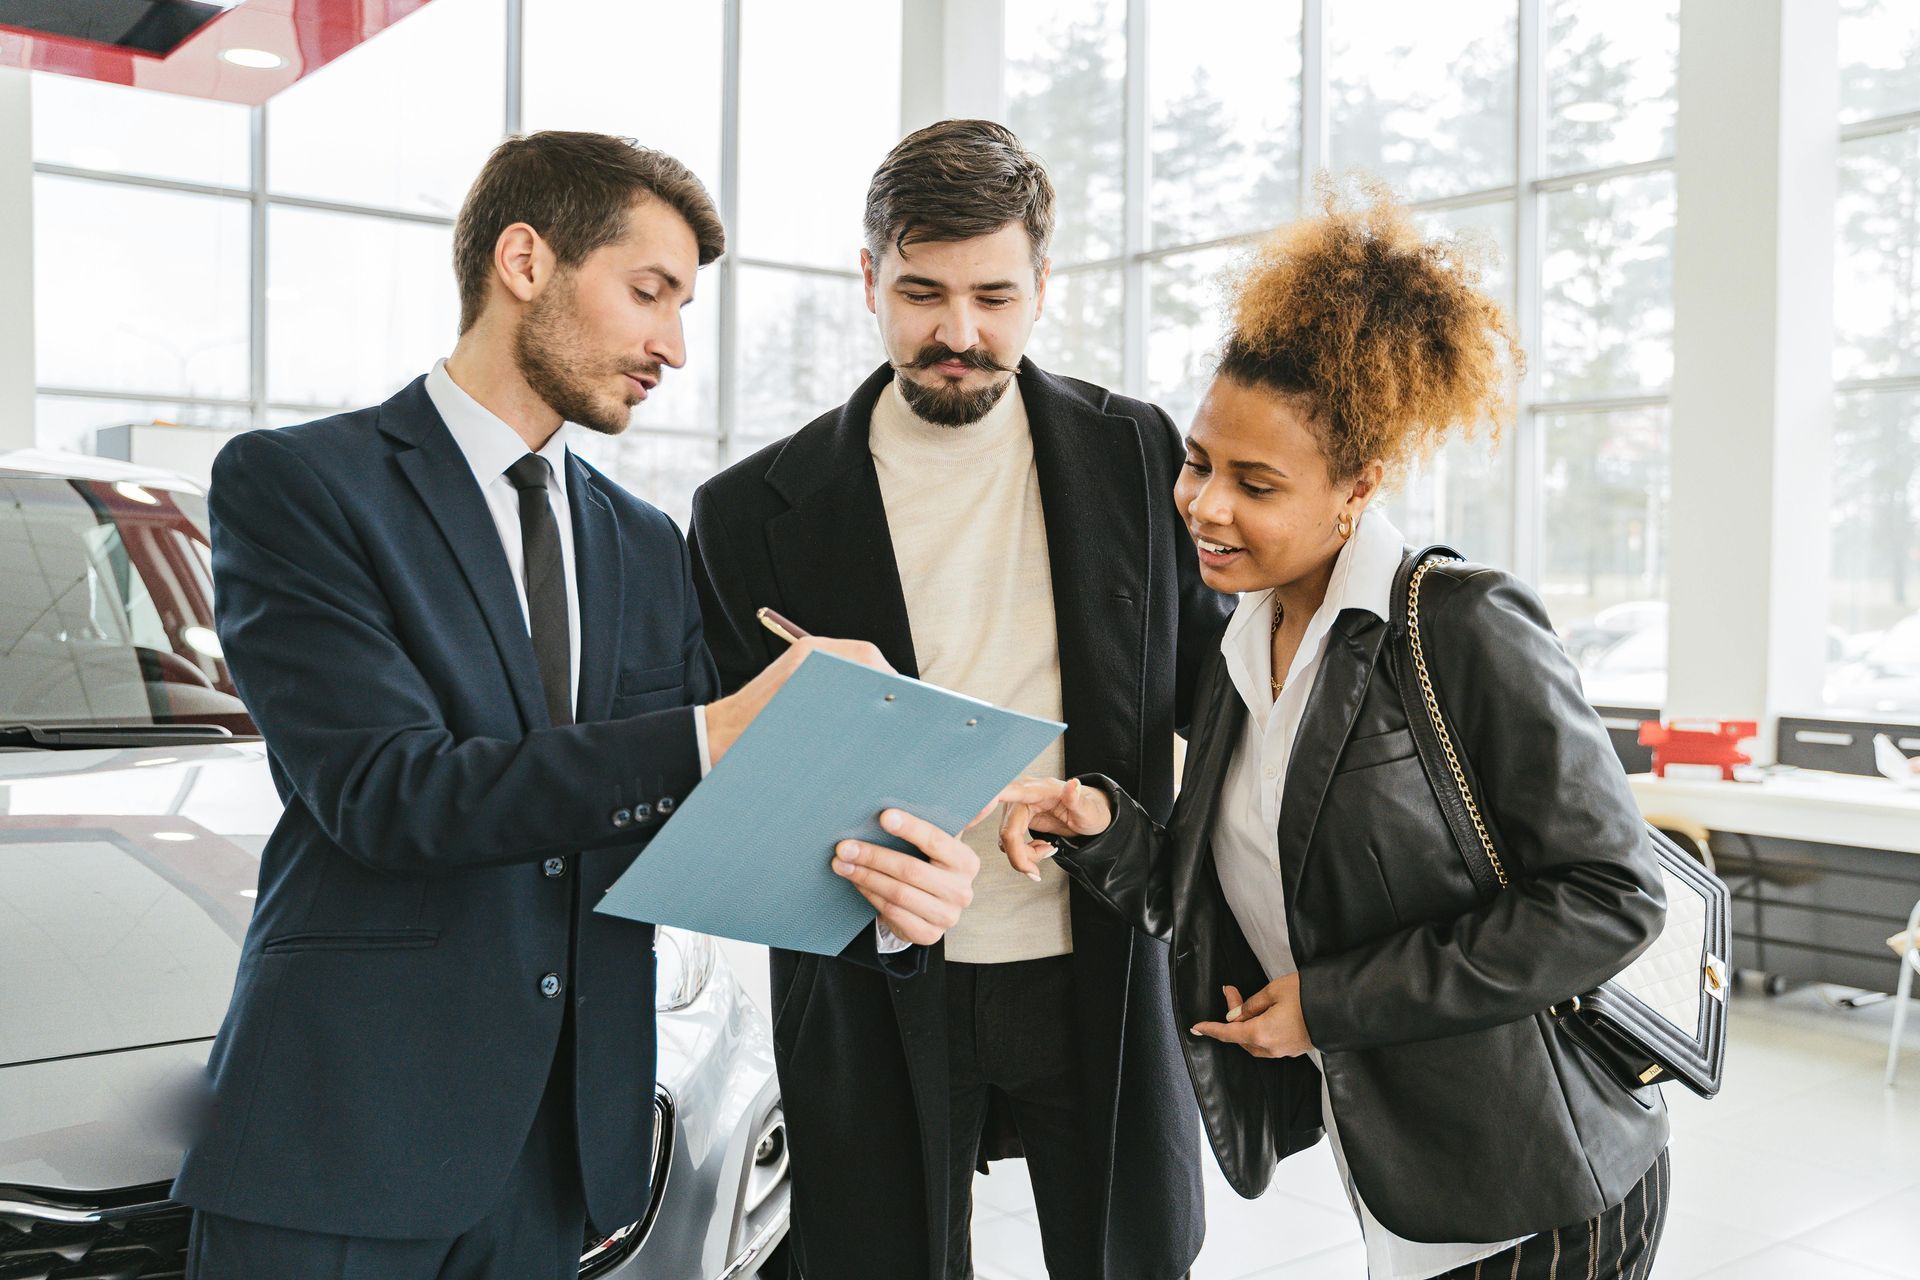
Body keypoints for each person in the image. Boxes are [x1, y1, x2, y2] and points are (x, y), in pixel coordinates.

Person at [174, 131, 979, 1280]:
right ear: (524, 261)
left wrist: (893, 883)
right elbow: (386, 793)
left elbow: (711, 810)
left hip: (564, 1162)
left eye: (684, 306)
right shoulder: (300, 485)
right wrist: (718, 728)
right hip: (344, 1145)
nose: (674, 345)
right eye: (650, 293)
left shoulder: (643, 543)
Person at [996, 182, 1672, 1280]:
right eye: (1201, 461)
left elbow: (1611, 894)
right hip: (1400, 1170)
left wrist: (1333, 1003)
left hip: (1538, 1187)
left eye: (1255, 483)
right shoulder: (1241, 639)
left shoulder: (1462, 626)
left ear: (1356, 489)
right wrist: (1101, 826)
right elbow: (1220, 889)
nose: (1207, 506)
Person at [689, 119, 1231, 1279]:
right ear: (869, 279)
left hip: (1093, 952)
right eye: (923, 293)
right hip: (868, 974)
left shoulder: (1136, 449)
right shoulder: (746, 513)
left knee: (1135, 1254)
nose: (959, 333)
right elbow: (727, 780)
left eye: (994, 294)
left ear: (1043, 284)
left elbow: (1215, 686)